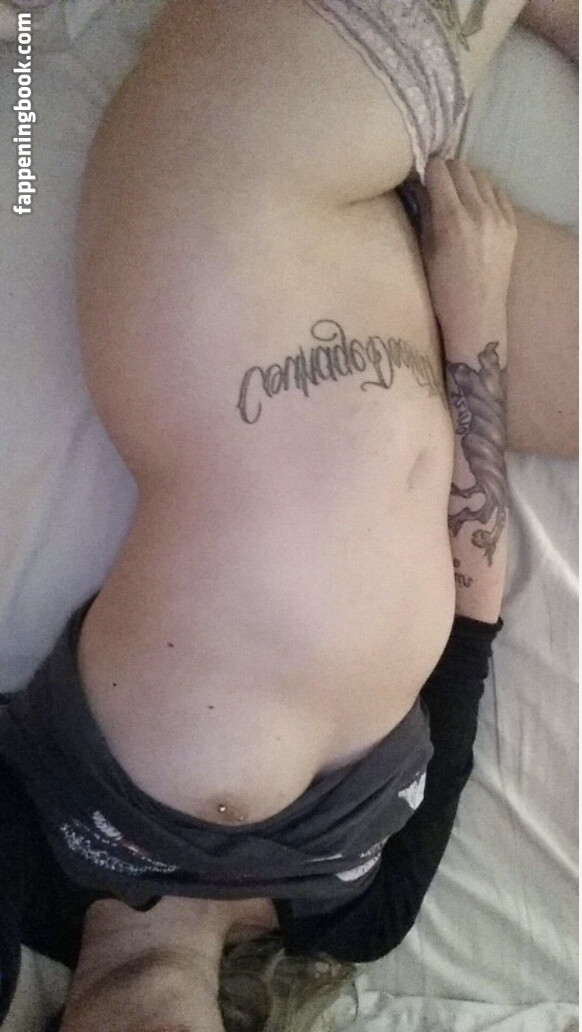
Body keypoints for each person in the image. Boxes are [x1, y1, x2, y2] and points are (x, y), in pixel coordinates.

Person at [0, 1, 577, 1029]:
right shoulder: (356, 923)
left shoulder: (27, 866)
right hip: (444, 338)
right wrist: (475, 314)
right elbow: (471, 629)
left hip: (242, 220)